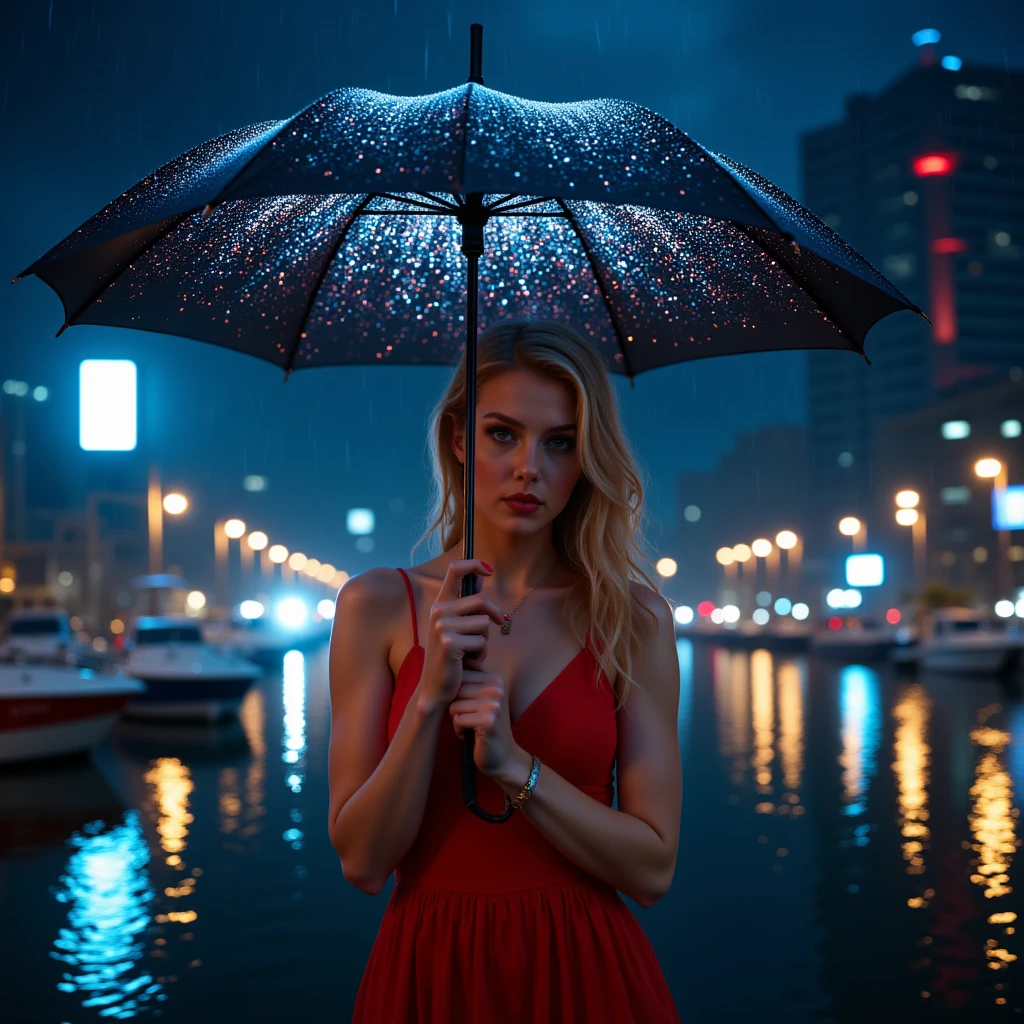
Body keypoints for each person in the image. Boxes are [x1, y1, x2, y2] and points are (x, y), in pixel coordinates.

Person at [328, 320, 682, 1023]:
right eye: (502, 434)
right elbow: (363, 864)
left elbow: (652, 869)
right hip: (431, 970)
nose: (530, 468)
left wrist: (515, 766)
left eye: (559, 442)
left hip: (588, 972)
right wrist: (430, 701)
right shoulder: (376, 606)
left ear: (587, 458)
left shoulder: (632, 618)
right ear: (459, 440)